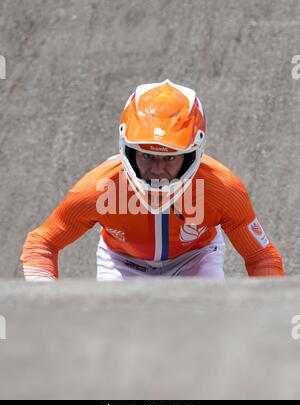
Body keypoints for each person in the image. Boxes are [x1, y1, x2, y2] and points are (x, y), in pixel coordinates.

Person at [20, 80, 284, 281]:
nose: (157, 170)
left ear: (194, 153)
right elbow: (42, 243)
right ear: (128, 149)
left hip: (194, 260)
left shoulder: (222, 189)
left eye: (170, 158)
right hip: (123, 263)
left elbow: (261, 257)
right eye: (147, 156)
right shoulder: (97, 188)